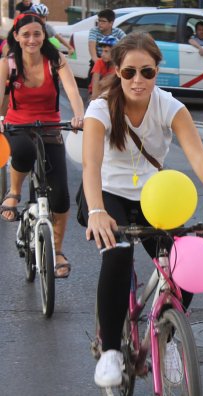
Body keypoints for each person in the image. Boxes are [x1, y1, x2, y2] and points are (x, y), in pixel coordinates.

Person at [81, 32, 203, 387]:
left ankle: (168, 339)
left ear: (157, 72)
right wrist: (96, 211)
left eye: (147, 72)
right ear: (118, 72)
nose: (138, 81)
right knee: (119, 256)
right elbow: (90, 166)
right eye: (129, 73)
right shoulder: (100, 109)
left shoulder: (170, 106)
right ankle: (110, 351)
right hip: (107, 196)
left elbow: (199, 156)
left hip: (155, 197)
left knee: (184, 260)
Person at [0, 13, 85, 278]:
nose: (32, 39)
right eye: (26, 34)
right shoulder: (8, 63)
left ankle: (57, 250)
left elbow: (73, 91)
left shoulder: (55, 60)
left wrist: (79, 115)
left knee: (60, 195)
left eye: (37, 34)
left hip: (50, 127)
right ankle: (13, 192)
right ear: (16, 37)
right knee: (23, 152)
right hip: (17, 125)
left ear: (43, 35)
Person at [88, 9, 126, 84]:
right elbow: (91, 44)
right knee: (94, 82)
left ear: (111, 23)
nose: (100, 23)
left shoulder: (117, 31)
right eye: (99, 21)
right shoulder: (94, 31)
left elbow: (127, 41)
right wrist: (96, 60)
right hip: (99, 59)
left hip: (113, 60)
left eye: (103, 21)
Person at [89, 35, 117, 100]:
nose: (102, 55)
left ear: (115, 52)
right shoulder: (99, 62)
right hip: (97, 91)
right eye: (102, 51)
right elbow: (95, 81)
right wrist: (94, 99)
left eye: (106, 51)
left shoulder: (119, 65)